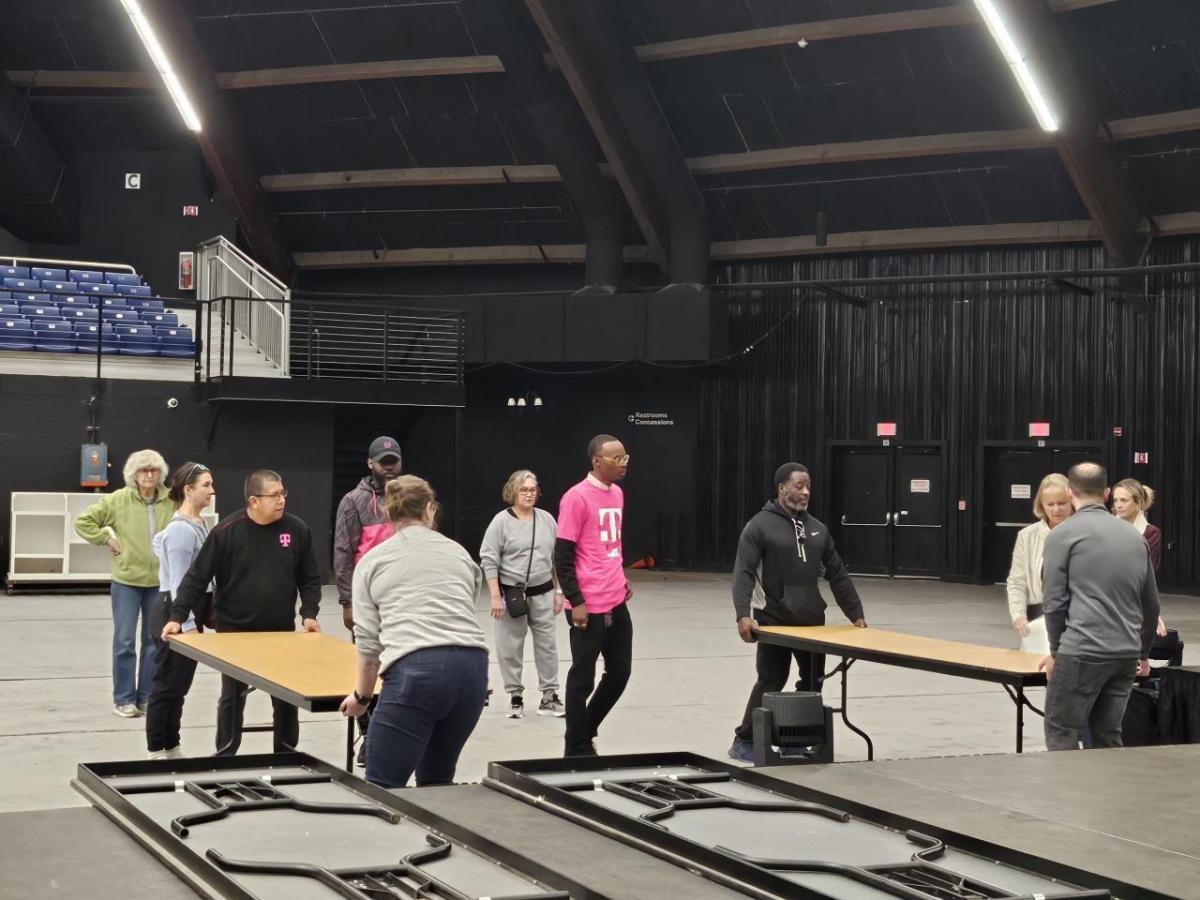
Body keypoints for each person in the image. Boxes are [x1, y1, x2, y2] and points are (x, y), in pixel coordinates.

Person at [339, 476, 488, 788]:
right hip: (472, 673)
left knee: (382, 786)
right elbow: (464, 612)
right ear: (430, 509)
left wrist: (362, 698)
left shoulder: (372, 562)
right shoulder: (459, 554)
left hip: (417, 673)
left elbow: (368, 646)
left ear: (387, 514)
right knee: (437, 782)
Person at [163, 470, 322, 755]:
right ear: (253, 501)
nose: (281, 500)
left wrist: (309, 614)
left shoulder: (296, 530)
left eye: (283, 493)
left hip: (280, 631)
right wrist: (177, 617)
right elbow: (196, 578)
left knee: (285, 696)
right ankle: (226, 752)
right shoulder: (226, 532)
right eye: (273, 495)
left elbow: (309, 577)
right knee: (232, 696)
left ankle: (286, 754)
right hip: (234, 631)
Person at [729, 462, 866, 763]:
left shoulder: (817, 529)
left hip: (811, 623)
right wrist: (742, 614)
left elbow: (837, 573)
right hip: (773, 620)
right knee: (771, 681)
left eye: (808, 486)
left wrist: (856, 614)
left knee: (813, 682)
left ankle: (794, 741)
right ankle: (745, 739)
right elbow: (744, 573)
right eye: (798, 486)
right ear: (781, 488)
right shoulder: (759, 526)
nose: (805, 492)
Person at [1039, 462, 1160, 751]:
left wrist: (1056, 651)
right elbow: (1151, 605)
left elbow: (1054, 603)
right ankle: (1109, 794)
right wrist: (1142, 653)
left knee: (1061, 731)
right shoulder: (1135, 537)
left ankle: (1068, 794)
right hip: (1125, 654)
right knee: (1107, 735)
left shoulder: (1062, 536)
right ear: (1106, 493)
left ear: (1070, 493)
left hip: (1082, 651)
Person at [75, 449, 174, 718]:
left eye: (154, 469)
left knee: (154, 642)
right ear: (134, 474)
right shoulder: (118, 499)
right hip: (127, 582)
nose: (150, 475)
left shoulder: (171, 501)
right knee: (125, 641)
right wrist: (106, 539)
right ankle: (123, 698)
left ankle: (146, 696)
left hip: (159, 583)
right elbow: (83, 522)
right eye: (144, 470)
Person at [555, 434, 632, 757]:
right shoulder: (576, 498)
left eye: (626, 456)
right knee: (582, 678)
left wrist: (622, 578)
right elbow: (563, 555)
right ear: (597, 461)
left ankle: (585, 729)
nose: (624, 464)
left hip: (615, 598)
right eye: (617, 458)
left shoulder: (617, 494)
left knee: (620, 672)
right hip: (587, 604)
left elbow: (610, 545)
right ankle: (576, 746)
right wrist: (577, 601)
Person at [333, 435, 403, 764]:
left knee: (397, 667)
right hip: (367, 599)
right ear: (370, 464)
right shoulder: (353, 501)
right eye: (383, 463)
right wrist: (348, 601)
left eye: (394, 462)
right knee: (366, 665)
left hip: (403, 596)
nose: (389, 469)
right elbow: (343, 553)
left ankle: (387, 732)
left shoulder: (408, 496)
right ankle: (369, 733)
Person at [480, 469, 565, 719]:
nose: (529, 494)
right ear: (513, 492)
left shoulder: (547, 519)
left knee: (547, 645)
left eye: (533, 490)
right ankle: (515, 695)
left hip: (543, 592)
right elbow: (489, 559)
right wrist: (495, 596)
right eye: (524, 490)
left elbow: (556, 558)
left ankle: (549, 696)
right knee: (510, 645)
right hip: (512, 594)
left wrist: (559, 590)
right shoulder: (501, 522)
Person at [145, 462, 215, 759]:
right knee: (166, 684)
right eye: (206, 485)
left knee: (180, 685)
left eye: (211, 485)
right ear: (188, 490)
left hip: (190, 611)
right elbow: (178, 584)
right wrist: (185, 623)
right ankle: (156, 748)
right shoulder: (181, 531)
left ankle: (171, 744)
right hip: (174, 613)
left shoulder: (199, 524)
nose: (212, 491)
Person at [1005, 473, 1072, 655]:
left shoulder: (1081, 532)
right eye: (1050, 504)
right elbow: (1017, 581)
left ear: (1072, 501)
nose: (1056, 509)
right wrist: (1018, 616)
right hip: (1038, 617)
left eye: (1061, 503)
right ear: (1041, 505)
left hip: (1074, 619)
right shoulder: (1027, 536)